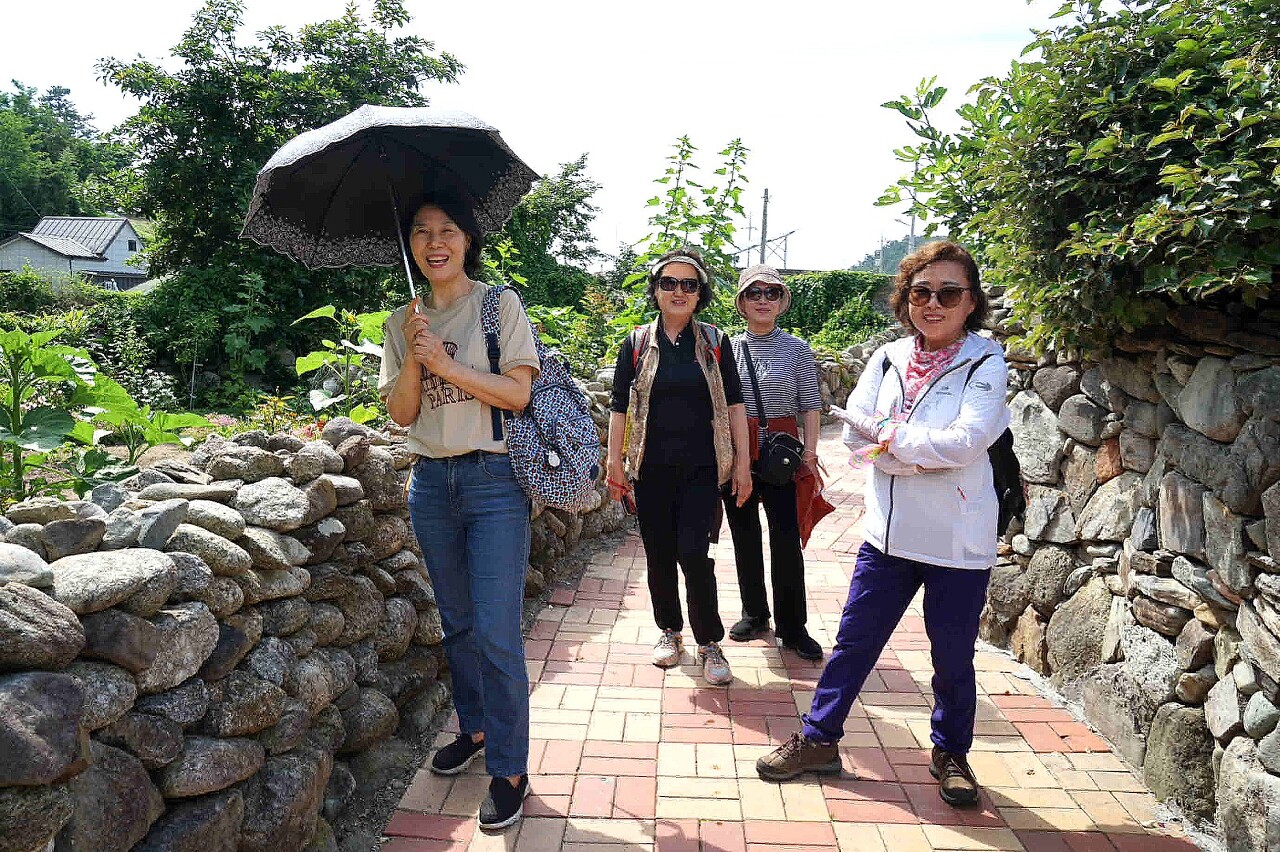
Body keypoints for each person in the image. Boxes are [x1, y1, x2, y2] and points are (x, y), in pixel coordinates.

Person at [755, 241, 1009, 808]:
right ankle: (819, 739)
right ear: (905, 299)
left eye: (949, 293)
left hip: (957, 540)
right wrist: (913, 455)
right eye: (922, 292)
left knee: (952, 655)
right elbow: (852, 433)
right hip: (888, 536)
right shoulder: (888, 358)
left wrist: (891, 441)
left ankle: (952, 753)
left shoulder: (985, 362)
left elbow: (966, 442)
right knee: (854, 643)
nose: (933, 304)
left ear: (971, 302)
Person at [379, 194, 540, 831]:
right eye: (421, 232)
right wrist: (416, 359)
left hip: (494, 482)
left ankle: (510, 768)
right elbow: (402, 414)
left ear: (467, 240)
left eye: (447, 230)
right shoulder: (402, 320)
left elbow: (518, 393)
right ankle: (474, 729)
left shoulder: (499, 306)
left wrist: (446, 362)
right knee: (457, 624)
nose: (434, 242)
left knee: (496, 632)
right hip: (430, 484)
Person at [606, 247, 753, 686]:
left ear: (700, 293)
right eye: (669, 282)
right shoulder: (636, 343)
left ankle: (709, 640)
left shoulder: (714, 343)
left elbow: (735, 404)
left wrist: (743, 465)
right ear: (655, 289)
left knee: (693, 553)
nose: (679, 291)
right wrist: (614, 462)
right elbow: (619, 406)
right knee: (658, 555)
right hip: (650, 469)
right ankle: (669, 631)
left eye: (689, 284)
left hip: (702, 470)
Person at [723, 264, 825, 661]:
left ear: (782, 301)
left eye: (772, 292)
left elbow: (810, 405)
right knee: (744, 535)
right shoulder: (727, 348)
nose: (763, 300)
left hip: (783, 456)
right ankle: (754, 613)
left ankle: (793, 626)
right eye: (755, 292)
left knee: (786, 540)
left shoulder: (797, 349)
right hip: (738, 455)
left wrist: (810, 454)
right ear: (742, 302)